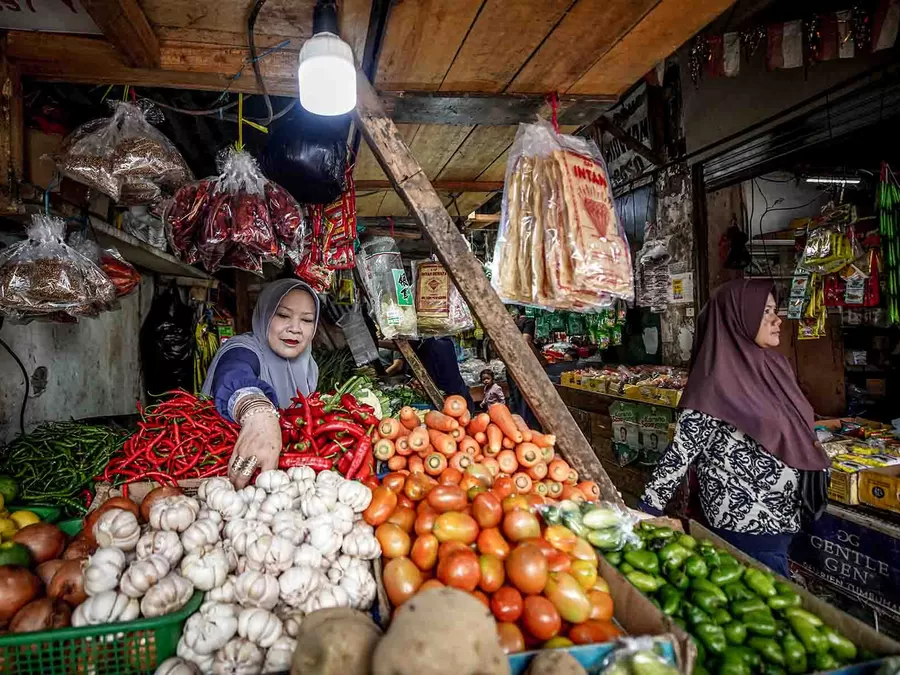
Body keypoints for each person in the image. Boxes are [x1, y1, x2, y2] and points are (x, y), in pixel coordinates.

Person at [639, 279, 829, 576]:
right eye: (765, 312)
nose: (777, 319)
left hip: (785, 518)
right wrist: (642, 516)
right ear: (738, 318)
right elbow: (680, 454)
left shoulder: (774, 366)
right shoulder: (716, 383)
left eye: (774, 310)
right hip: (744, 524)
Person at [202, 279, 319, 487]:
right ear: (265, 313)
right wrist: (256, 410)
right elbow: (234, 373)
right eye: (283, 315)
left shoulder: (309, 367)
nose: (295, 328)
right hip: (237, 477)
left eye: (307, 320)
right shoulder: (242, 349)